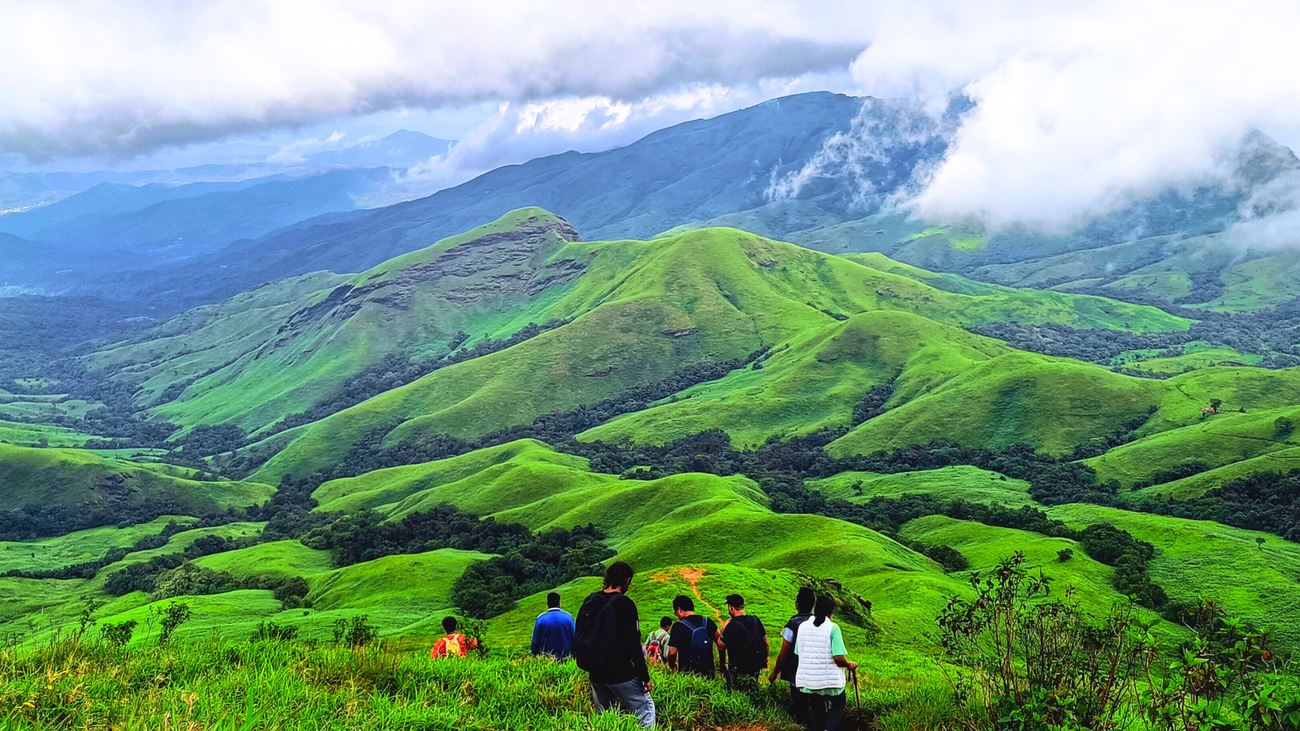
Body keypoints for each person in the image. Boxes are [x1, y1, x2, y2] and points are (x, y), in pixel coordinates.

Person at [574, 561, 655, 728]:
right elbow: (634, 644)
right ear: (626, 580)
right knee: (645, 710)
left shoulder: (590, 600)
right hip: (621, 672)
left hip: (596, 672)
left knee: (606, 718)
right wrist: (644, 676)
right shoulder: (626, 604)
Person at [794, 594, 857, 731]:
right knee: (839, 705)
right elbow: (838, 658)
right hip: (830, 684)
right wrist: (849, 664)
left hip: (809, 682)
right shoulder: (833, 628)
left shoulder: (802, 627)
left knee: (818, 711)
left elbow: (799, 652)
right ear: (831, 612)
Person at [768, 587, 816, 726]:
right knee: (816, 710)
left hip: (797, 675)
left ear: (797, 604)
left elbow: (783, 654)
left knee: (801, 710)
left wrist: (774, 674)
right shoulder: (819, 621)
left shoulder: (793, 624)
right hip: (816, 675)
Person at [716, 593, 768, 689]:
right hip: (755, 666)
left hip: (737, 668)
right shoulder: (756, 620)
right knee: (753, 688)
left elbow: (720, 645)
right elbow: (766, 643)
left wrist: (724, 627)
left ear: (730, 607)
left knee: (734, 690)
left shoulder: (732, 625)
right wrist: (765, 659)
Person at [666, 595, 719, 677]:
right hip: (708, 673)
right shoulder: (707, 621)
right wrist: (722, 663)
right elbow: (720, 642)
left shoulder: (678, 626)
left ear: (679, 610)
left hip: (688, 675)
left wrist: (671, 666)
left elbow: (672, 652)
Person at [531, 591, 576, 660]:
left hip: (547, 659)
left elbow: (536, 641)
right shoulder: (568, 617)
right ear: (559, 603)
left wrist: (534, 655)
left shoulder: (541, 619)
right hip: (567, 658)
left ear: (547, 603)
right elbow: (574, 638)